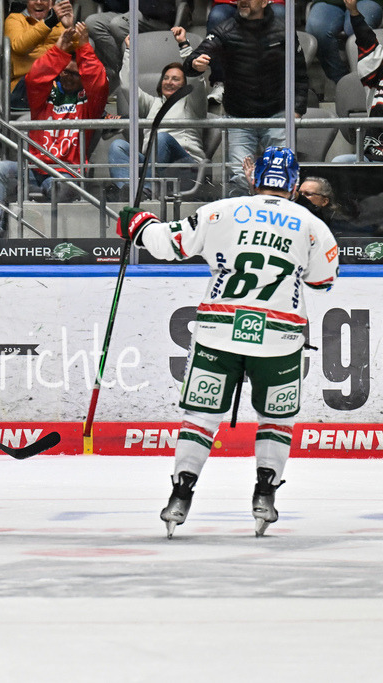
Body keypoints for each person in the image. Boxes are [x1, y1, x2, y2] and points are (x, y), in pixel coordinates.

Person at [116, 146, 339, 538]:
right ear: (293, 184)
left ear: (255, 179)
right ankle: (265, 495)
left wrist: (139, 225)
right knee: (276, 420)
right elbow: (323, 281)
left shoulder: (222, 210)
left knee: (201, 417)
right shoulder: (311, 224)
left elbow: (167, 244)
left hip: (219, 331)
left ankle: (180, 495)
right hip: (280, 337)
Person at [0, 22, 109, 238]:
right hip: (34, 167)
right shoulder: (44, 98)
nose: (66, 77)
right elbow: (35, 78)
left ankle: (49, 239)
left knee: (58, 188)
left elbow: (98, 83)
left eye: (73, 74)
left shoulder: (90, 104)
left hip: (65, 172)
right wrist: (59, 48)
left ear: (82, 77)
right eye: (63, 73)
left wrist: (84, 46)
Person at [183, 0, 309, 197]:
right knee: (241, 179)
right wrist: (195, 64)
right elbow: (193, 59)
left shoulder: (284, 30)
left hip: (278, 114)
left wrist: (297, 109)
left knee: (280, 177)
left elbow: (299, 73)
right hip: (239, 117)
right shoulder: (224, 30)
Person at [106, 27, 205, 200]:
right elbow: (127, 87)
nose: (169, 82)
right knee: (118, 146)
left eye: (175, 79)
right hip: (151, 164)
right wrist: (128, 50)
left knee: (162, 138)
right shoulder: (153, 103)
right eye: (166, 78)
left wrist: (184, 45)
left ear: (184, 84)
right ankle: (127, 191)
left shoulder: (192, 102)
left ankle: (147, 189)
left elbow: (196, 80)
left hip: (185, 166)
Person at [84, 0, 189, 92]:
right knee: (93, 22)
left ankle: (135, 75)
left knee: (119, 24)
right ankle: (121, 71)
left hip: (157, 14)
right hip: (130, 12)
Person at [330, 0, 383, 163]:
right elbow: (367, 41)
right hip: (371, 159)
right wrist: (353, 12)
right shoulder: (376, 76)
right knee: (340, 162)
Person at [203, 0, 285, 104]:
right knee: (217, 16)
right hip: (230, 3)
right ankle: (221, 82)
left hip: (269, 2)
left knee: (279, 14)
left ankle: (274, 84)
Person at [5, 0, 75, 111]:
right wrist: (49, 23)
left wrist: (70, 27)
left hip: (57, 81)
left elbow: (73, 56)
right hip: (26, 84)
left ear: (51, 2)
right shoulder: (15, 19)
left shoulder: (61, 23)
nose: (39, 2)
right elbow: (19, 47)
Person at [306, 0, 383, 84]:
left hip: (367, 1)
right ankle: (342, 81)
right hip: (329, 2)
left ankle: (365, 81)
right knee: (317, 27)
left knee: (357, 27)